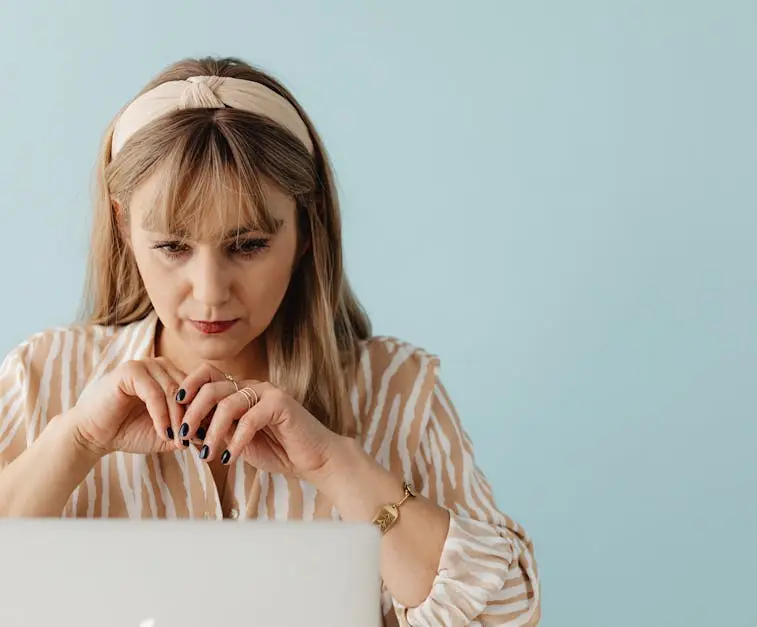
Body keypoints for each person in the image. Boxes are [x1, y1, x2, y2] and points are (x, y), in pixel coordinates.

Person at [0, 56, 540, 626]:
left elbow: (505, 614)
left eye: (249, 245)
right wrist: (77, 440)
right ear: (124, 225)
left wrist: (335, 465)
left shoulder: (398, 389)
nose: (209, 295)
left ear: (306, 229)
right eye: (173, 247)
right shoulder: (43, 376)